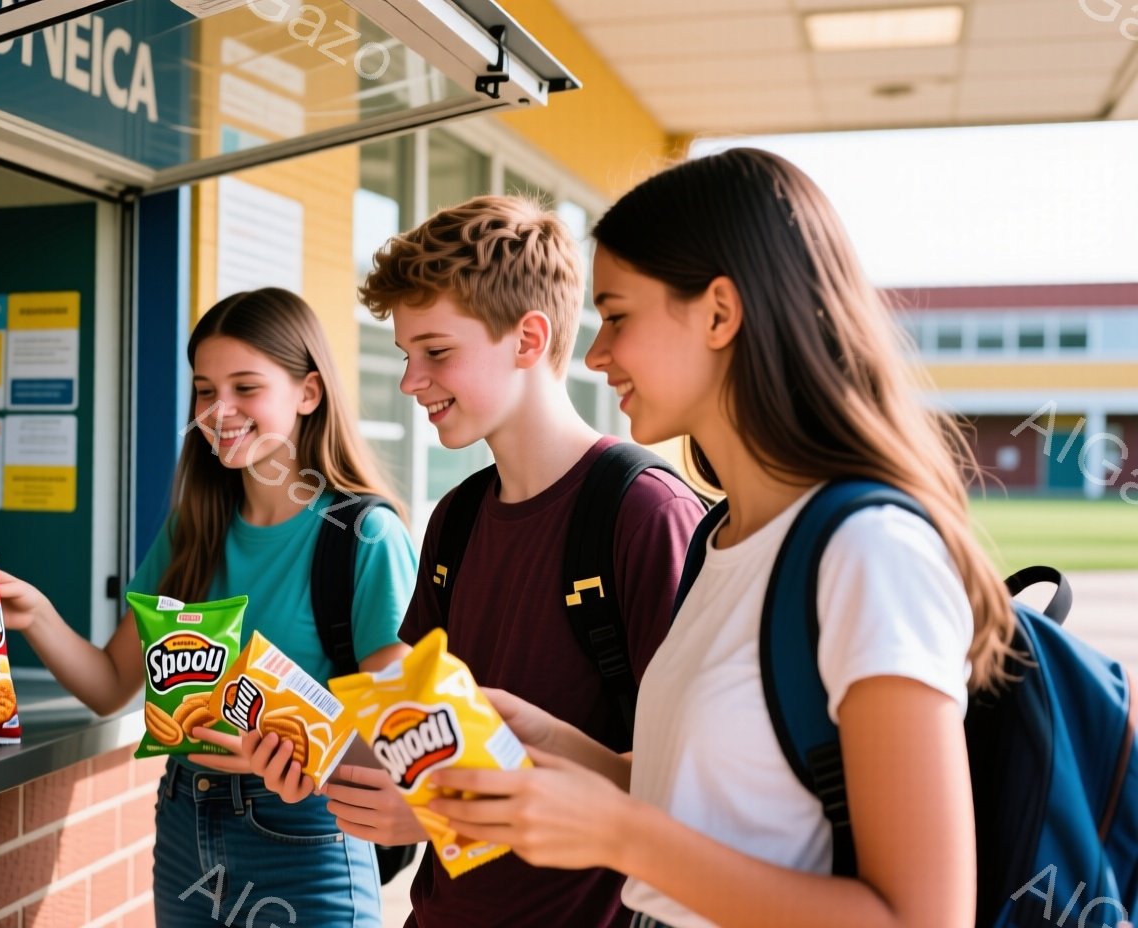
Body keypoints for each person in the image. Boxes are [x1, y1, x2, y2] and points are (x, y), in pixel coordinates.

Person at [425, 148, 1014, 928]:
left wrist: (620, 835)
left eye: (619, 315)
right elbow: (726, 806)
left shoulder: (869, 552)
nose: (596, 355)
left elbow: (921, 918)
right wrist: (564, 749)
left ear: (719, 313)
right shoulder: (722, 540)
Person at [222, 196, 706, 927]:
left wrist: (444, 812)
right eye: (405, 355)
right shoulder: (456, 518)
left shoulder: (646, 516)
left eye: (437, 352)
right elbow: (405, 727)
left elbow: (686, 793)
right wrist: (310, 758)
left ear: (528, 338)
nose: (411, 381)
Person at [0, 288, 418, 927]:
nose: (219, 411)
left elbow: (400, 739)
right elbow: (112, 686)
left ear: (308, 393)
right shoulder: (193, 529)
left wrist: (304, 756)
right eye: (203, 389)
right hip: (185, 827)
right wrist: (40, 618)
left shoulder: (365, 538)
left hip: (306, 838)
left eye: (246, 388)